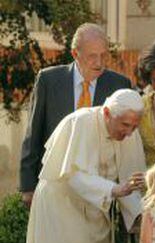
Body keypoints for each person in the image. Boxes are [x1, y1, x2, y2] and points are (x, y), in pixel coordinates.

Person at [24, 89, 146, 243]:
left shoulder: (130, 133)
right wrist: (113, 189)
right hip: (62, 208)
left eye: (135, 127)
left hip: (96, 208)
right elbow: (73, 175)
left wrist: (140, 217)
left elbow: (130, 181)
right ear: (107, 113)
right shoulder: (79, 123)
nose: (129, 132)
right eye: (125, 125)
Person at [20, 23, 132, 207]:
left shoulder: (119, 85)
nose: (99, 63)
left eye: (103, 55)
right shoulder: (49, 80)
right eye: (92, 56)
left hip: (99, 190)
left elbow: (125, 143)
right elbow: (34, 134)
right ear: (75, 54)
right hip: (55, 184)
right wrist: (27, 187)